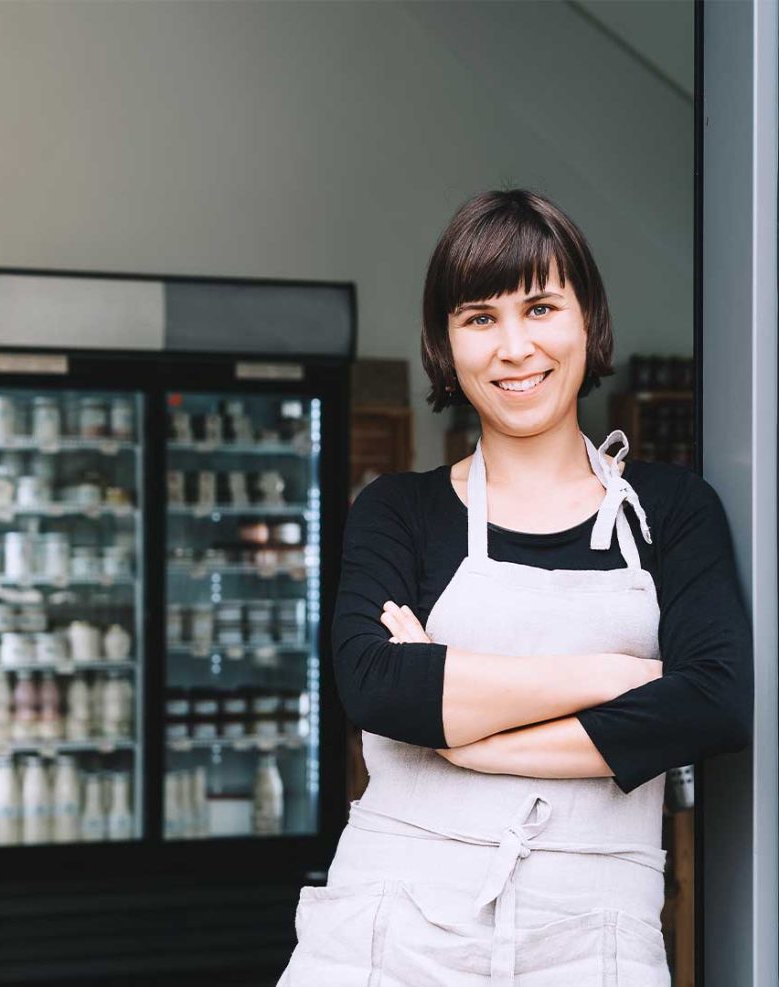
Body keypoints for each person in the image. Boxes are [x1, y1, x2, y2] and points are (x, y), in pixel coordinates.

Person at [275, 188, 753, 986]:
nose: (514, 347)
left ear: (588, 319)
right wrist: (612, 679)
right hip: (391, 930)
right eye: (479, 318)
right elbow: (380, 686)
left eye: (539, 307)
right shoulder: (398, 510)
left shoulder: (671, 510)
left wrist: (467, 734)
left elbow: (713, 701)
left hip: (595, 939)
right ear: (446, 343)